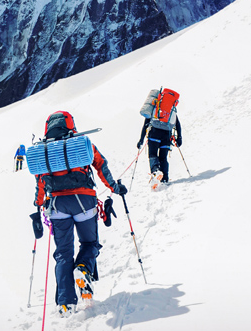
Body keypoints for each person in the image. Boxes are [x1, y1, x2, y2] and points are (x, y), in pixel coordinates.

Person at [31, 111, 127, 317]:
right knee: (90, 243)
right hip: (84, 201)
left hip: (57, 205)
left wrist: (38, 203)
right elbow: (100, 165)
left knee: (63, 253)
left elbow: (40, 181)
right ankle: (83, 269)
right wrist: (114, 188)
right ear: (70, 124)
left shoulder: (43, 151)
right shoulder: (81, 143)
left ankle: (65, 303)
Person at [137, 111, 182, 185]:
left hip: (154, 134)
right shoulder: (171, 108)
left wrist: (141, 140)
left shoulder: (155, 107)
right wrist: (179, 138)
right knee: (163, 158)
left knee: (153, 155)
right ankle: (164, 179)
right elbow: (177, 123)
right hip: (166, 136)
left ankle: (156, 172)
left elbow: (146, 124)